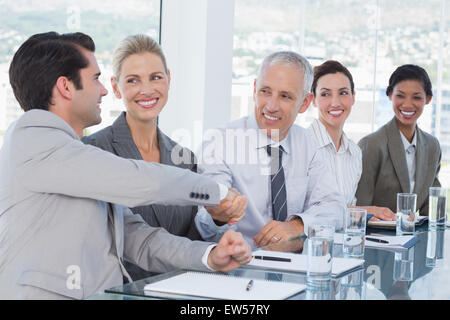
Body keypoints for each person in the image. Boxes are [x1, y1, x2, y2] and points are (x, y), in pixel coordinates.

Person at [0, 31, 251, 300]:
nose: (103, 90)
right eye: (95, 79)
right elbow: (142, 180)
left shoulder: (75, 159)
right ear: (65, 87)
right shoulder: (35, 139)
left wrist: (211, 256)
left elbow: (137, 239)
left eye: (156, 76)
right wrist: (220, 192)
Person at [82, 35, 247, 280]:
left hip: (179, 290)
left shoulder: (184, 158)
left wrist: (216, 218)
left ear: (169, 80)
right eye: (133, 80)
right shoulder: (93, 151)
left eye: (155, 77)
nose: (147, 89)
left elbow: (191, 240)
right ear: (116, 87)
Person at [195, 51, 346, 248]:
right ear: (255, 88)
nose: (271, 106)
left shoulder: (308, 144)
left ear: (305, 103)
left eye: (285, 96)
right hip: (239, 266)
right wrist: (218, 217)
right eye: (265, 91)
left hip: (295, 266)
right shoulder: (220, 142)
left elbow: (335, 208)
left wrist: (297, 225)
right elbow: (205, 227)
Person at [308, 60, 396, 222]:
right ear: (313, 99)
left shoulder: (354, 153)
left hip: (345, 243)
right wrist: (368, 211)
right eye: (325, 94)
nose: (335, 103)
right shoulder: (303, 146)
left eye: (343, 93)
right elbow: (307, 211)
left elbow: (347, 212)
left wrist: (370, 218)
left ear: (353, 97)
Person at [356, 64, 441, 216]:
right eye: (400, 95)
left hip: (414, 236)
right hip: (376, 237)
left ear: (428, 99)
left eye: (416, 97)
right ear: (389, 95)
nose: (407, 104)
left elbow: (431, 210)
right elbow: (360, 210)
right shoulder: (371, 145)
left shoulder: (432, 146)